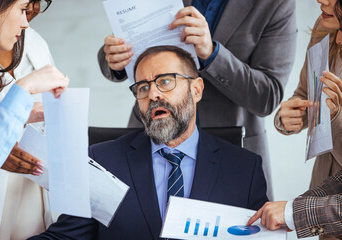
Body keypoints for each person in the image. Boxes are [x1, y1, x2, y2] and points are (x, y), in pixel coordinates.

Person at [30, 46, 268, 239]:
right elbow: (65, 238)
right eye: (143, 87)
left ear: (196, 89)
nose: (153, 95)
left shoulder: (244, 169)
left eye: (165, 82)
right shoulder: (101, 162)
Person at [98, 0, 298, 199]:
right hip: (150, 134)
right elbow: (123, 38)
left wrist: (212, 54)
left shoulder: (275, 3)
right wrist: (114, 59)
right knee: (132, 224)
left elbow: (267, 96)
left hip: (230, 144)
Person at [248, 0, 342, 239]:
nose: (320, 0)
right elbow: (305, 95)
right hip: (326, 192)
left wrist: (293, 212)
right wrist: (288, 117)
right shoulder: (325, 29)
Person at [0, 0, 68, 230]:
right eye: (23, 6)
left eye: (38, 3)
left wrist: (27, 115)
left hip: (33, 180)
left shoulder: (33, 41)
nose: (31, 12)